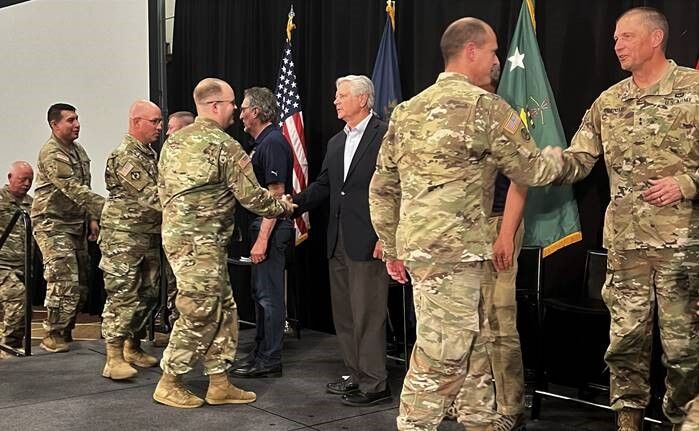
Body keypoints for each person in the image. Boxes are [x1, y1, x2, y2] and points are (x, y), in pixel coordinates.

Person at [368, 17, 563, 430]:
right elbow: (531, 170)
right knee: (441, 359)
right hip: (456, 256)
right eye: (493, 51)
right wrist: (570, 158)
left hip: (429, 253)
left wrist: (392, 245)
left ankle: (480, 421)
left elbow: (383, 188)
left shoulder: (405, 112)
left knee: (473, 349)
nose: (497, 60)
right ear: (471, 50)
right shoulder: (486, 108)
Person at [554, 7, 699, 431]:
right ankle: (627, 422)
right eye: (615, 38)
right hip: (626, 249)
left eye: (626, 37)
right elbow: (579, 158)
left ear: (656, 38)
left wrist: (687, 183)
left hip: (682, 252)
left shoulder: (694, 91)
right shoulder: (610, 101)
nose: (617, 45)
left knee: (684, 349)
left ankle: (684, 423)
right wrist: (537, 163)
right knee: (625, 344)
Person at [153, 77, 294, 409]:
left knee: (224, 307)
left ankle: (218, 381)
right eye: (232, 103)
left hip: (183, 240)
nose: (235, 110)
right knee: (199, 310)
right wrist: (283, 206)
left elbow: (161, 190)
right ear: (216, 105)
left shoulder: (172, 143)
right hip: (201, 243)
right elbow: (253, 198)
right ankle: (169, 380)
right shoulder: (223, 145)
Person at [293, 75, 392, 407]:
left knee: (369, 314)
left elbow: (397, 189)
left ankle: (376, 382)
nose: (335, 101)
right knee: (346, 315)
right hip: (337, 240)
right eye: (336, 95)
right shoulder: (337, 142)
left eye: (342, 95)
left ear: (363, 100)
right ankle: (355, 374)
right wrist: (292, 205)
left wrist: (386, 237)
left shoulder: (385, 136)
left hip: (369, 240)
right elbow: (325, 185)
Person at [446, 71, 530, 431]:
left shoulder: (502, 114)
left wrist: (506, 235)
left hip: (498, 224)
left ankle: (510, 406)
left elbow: (522, 178)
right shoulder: (459, 118)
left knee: (499, 321)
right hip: (464, 230)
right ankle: (468, 398)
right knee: (464, 321)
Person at [230, 87, 294, 378]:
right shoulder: (262, 143)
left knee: (269, 297)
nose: (240, 113)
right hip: (261, 227)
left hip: (271, 228)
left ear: (256, 112)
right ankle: (259, 353)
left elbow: (277, 196)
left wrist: (263, 239)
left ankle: (270, 360)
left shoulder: (273, 143)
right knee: (259, 295)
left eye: (243, 108)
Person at [32, 103, 105, 353]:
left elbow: (84, 186)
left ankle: (65, 331)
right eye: (70, 120)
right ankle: (52, 334)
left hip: (75, 223)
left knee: (82, 281)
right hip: (52, 223)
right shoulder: (52, 152)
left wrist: (93, 218)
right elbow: (73, 188)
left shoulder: (78, 151)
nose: (77, 124)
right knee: (64, 277)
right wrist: (108, 208)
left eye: (77, 119)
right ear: (55, 125)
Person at [99, 100, 164, 380]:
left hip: (147, 236)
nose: (160, 128)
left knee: (149, 294)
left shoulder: (148, 154)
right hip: (122, 239)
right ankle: (113, 357)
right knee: (123, 295)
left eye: (160, 122)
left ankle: (132, 346)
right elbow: (150, 195)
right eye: (155, 122)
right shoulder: (126, 155)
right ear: (136, 122)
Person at [0, 161, 34, 349]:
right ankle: (8, 346)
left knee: (25, 307)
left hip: (23, 264)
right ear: (10, 178)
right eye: (23, 179)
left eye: (30, 180)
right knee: (17, 297)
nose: (27, 183)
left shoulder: (31, 204)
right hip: (2, 264)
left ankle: (15, 346)